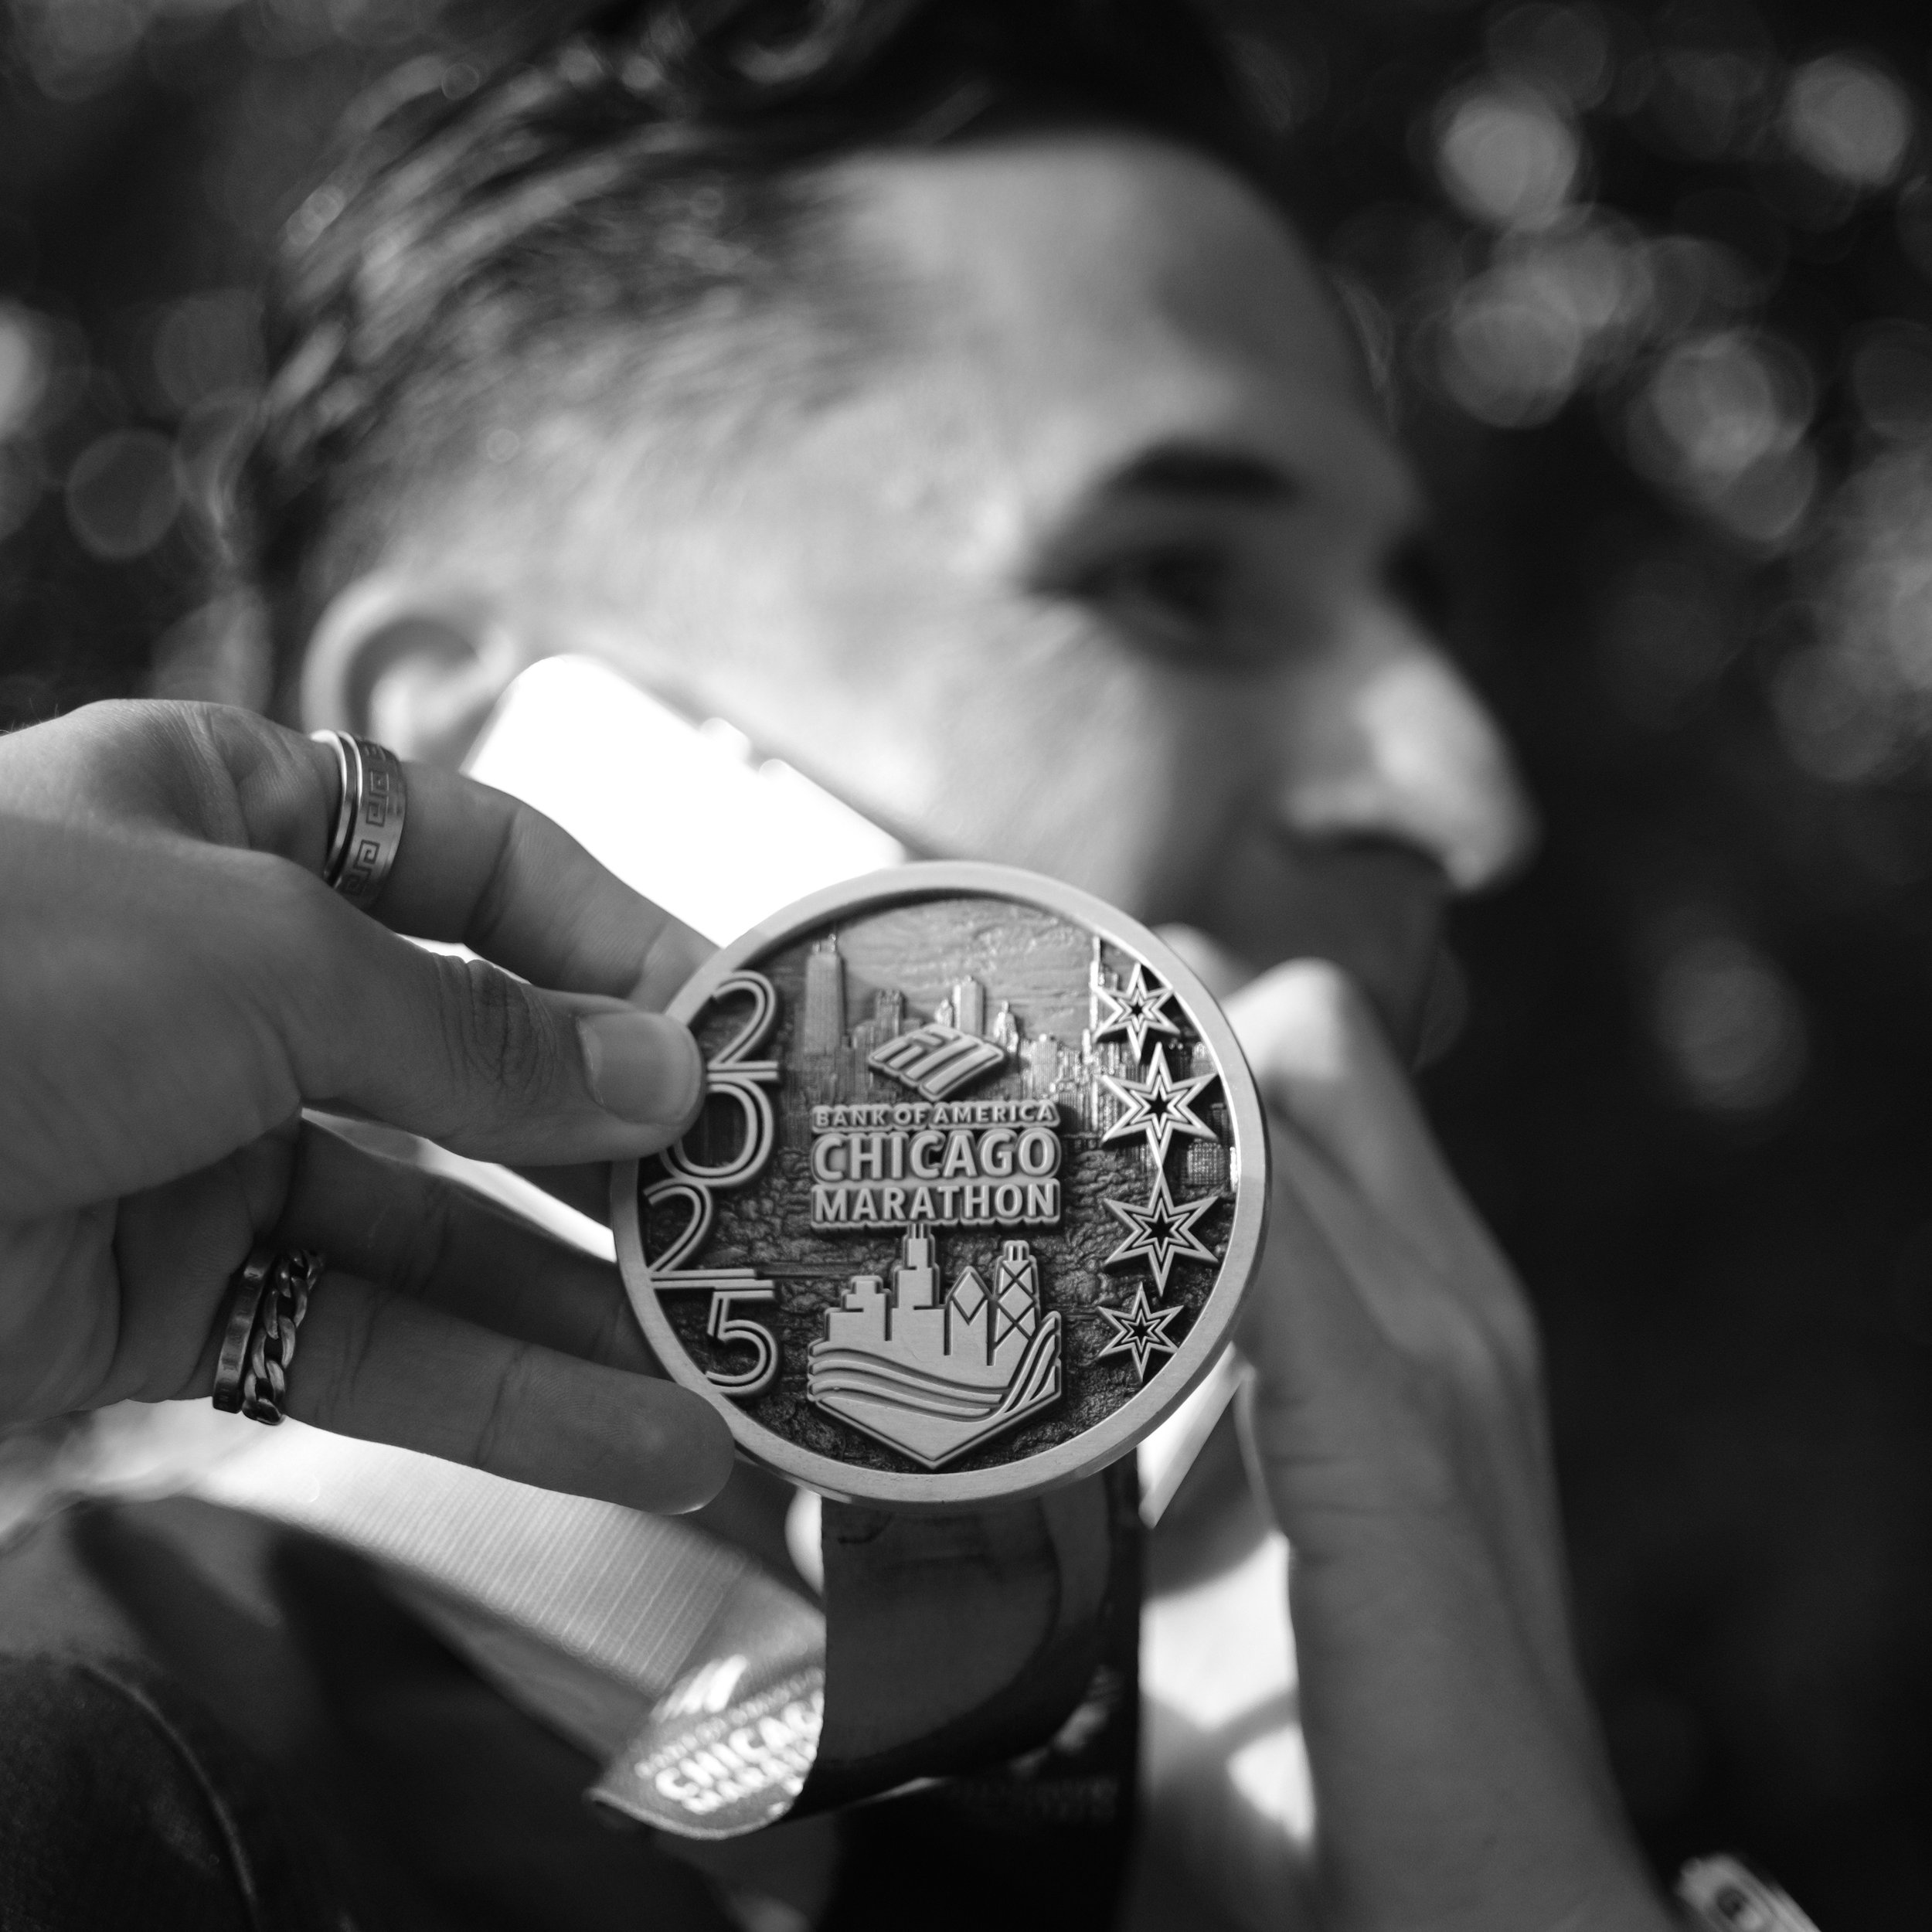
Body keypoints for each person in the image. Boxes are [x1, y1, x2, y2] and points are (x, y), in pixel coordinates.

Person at [0, 2, 1682, 1928]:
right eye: (1176, 580)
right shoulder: (91, 1812)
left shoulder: (1378, 1777)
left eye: (1409, 631)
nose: (1460, 788)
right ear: (487, 754)